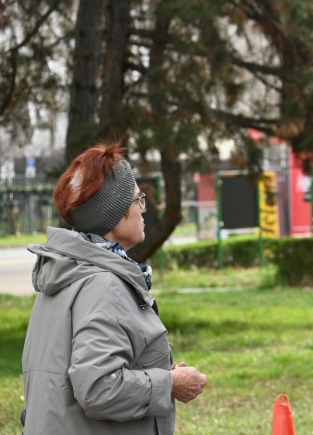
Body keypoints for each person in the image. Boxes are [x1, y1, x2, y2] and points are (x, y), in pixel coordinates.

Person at [21, 143, 207, 434]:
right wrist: (169, 383)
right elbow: (99, 389)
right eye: (137, 200)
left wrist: (158, 374)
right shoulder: (103, 285)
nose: (144, 209)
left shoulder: (66, 274)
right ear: (116, 213)